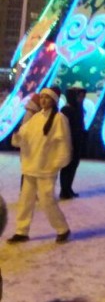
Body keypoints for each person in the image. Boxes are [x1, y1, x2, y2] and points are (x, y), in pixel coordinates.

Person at [7, 86, 71, 245]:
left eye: (47, 97)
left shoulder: (59, 119)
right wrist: (17, 136)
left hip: (46, 169)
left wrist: (57, 163)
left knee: (47, 201)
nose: (43, 100)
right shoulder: (36, 118)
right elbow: (24, 136)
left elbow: (64, 143)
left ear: (54, 101)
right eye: (41, 97)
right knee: (25, 200)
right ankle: (21, 231)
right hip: (31, 166)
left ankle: (62, 228)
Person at [59, 87, 87, 200]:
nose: (81, 99)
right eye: (79, 96)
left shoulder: (78, 109)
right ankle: (64, 190)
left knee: (73, 165)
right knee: (67, 166)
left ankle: (68, 188)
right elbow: (64, 128)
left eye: (83, 97)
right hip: (68, 141)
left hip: (77, 141)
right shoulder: (66, 110)